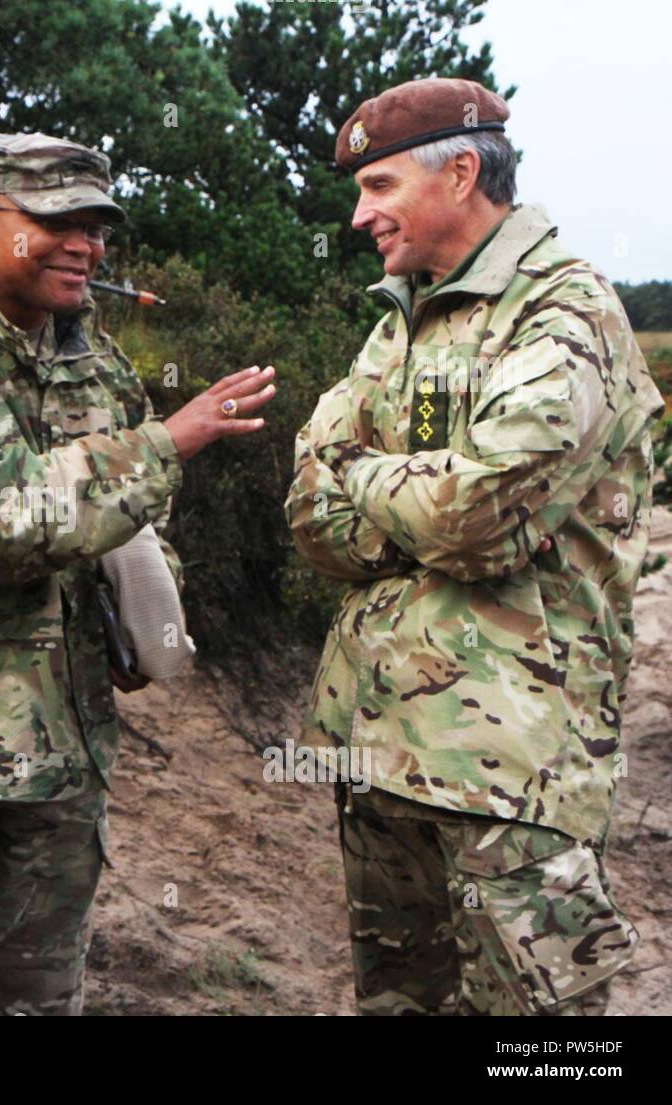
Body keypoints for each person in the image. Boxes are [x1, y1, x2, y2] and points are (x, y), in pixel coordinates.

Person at [0, 131, 278, 1015]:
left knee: (35, 1000)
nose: (86, 245)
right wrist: (166, 443)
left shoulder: (90, 358)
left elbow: (140, 520)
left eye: (99, 225)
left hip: (59, 760)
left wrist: (144, 615)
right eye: (59, 220)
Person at [284, 77, 664, 1015]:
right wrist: (415, 493)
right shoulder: (401, 318)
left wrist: (369, 476)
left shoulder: (563, 316)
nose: (359, 215)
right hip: (380, 749)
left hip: (514, 773)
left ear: (460, 173)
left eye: (377, 188)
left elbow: (479, 515)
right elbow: (306, 508)